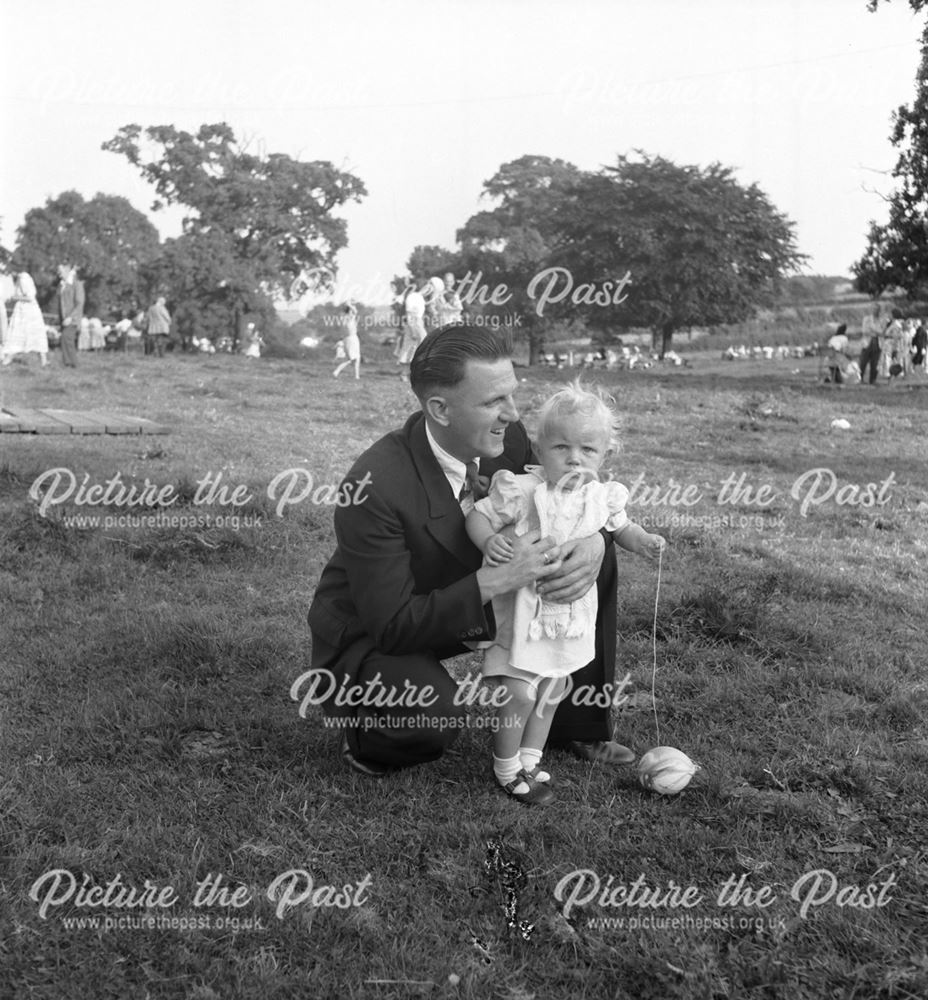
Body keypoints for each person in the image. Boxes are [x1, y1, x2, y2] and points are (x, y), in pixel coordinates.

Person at [305, 324, 633, 780]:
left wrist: (596, 542)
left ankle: (576, 722)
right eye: (492, 402)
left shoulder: (510, 438)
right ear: (439, 408)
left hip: (473, 592)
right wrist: (498, 579)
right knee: (431, 715)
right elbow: (393, 625)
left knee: (584, 558)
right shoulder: (374, 485)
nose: (513, 413)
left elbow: (566, 500)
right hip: (381, 625)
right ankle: (366, 734)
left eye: (512, 396)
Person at [465, 381, 666, 804]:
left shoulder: (601, 496)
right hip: (520, 617)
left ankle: (531, 759)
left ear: (604, 455)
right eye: (562, 448)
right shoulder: (520, 491)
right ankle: (506, 769)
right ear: (539, 450)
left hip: (568, 619)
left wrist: (644, 540)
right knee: (518, 692)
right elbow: (478, 515)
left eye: (587, 451)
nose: (575, 458)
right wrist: (487, 540)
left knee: (553, 689)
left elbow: (621, 529)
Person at [2, 272, 49, 367]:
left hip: (27, 311)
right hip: (24, 309)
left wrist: (15, 297)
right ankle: (8, 358)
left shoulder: (23, 278)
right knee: (20, 334)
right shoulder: (19, 278)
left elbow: (30, 297)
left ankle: (43, 360)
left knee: (24, 332)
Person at [394, 282, 427, 375]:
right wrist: (413, 331)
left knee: (413, 348)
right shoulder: (412, 298)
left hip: (417, 322)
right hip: (413, 324)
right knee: (412, 347)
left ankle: (411, 372)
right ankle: (405, 373)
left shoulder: (418, 298)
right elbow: (410, 316)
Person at [56, 263, 84, 368]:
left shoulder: (77, 284)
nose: (58, 274)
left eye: (60, 271)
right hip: (64, 319)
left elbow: (79, 303)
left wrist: (71, 317)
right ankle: (68, 363)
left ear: (67, 271)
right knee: (64, 340)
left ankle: (73, 363)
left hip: (73, 319)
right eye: (58, 272)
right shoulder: (61, 285)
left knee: (66, 337)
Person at [333, 303, 361, 379]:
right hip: (352, 338)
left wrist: (349, 305)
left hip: (346, 339)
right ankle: (337, 371)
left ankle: (356, 376)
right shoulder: (350, 317)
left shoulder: (342, 318)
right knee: (352, 359)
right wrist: (350, 304)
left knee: (355, 358)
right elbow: (355, 311)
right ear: (350, 311)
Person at [859, 305, 883, 386]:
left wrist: (873, 330)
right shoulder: (867, 319)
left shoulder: (881, 320)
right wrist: (876, 332)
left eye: (877, 309)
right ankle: (860, 379)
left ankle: (873, 380)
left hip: (877, 342)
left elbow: (882, 332)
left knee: (875, 362)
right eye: (874, 309)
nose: (875, 311)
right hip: (867, 342)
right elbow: (864, 331)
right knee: (863, 362)